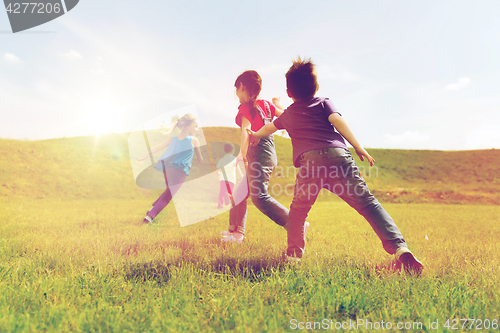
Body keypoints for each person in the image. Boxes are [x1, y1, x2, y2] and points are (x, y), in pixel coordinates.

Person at [248, 58, 423, 274]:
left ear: (289, 92)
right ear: (317, 87)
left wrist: (255, 135)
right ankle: (400, 248)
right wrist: (357, 146)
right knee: (368, 203)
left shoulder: (288, 114)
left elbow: (269, 128)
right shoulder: (323, 102)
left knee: (299, 211)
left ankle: (294, 257)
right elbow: (338, 121)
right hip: (339, 157)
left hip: (310, 162)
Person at [221, 70, 309, 243]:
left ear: (242, 87)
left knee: (259, 196)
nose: (237, 95)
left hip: (259, 155)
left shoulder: (246, 107)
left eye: (237, 91)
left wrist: (241, 154)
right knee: (239, 194)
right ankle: (236, 234)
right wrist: (279, 104)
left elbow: (246, 132)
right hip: (268, 154)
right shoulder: (267, 105)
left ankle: (298, 225)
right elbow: (286, 116)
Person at [139, 113, 202, 223]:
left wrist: (146, 155)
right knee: (168, 196)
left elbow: (158, 147)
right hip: (180, 172)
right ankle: (150, 216)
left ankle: (153, 208)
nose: (197, 129)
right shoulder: (194, 140)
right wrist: (198, 159)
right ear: (187, 126)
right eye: (196, 126)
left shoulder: (173, 138)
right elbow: (200, 158)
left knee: (168, 191)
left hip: (168, 169)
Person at [216, 143, 243, 209]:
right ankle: (228, 196)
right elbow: (237, 168)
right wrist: (242, 176)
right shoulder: (234, 159)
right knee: (230, 192)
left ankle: (220, 205)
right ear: (232, 150)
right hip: (231, 179)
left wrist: (218, 172)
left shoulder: (222, 159)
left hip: (223, 178)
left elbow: (218, 169)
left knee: (221, 192)